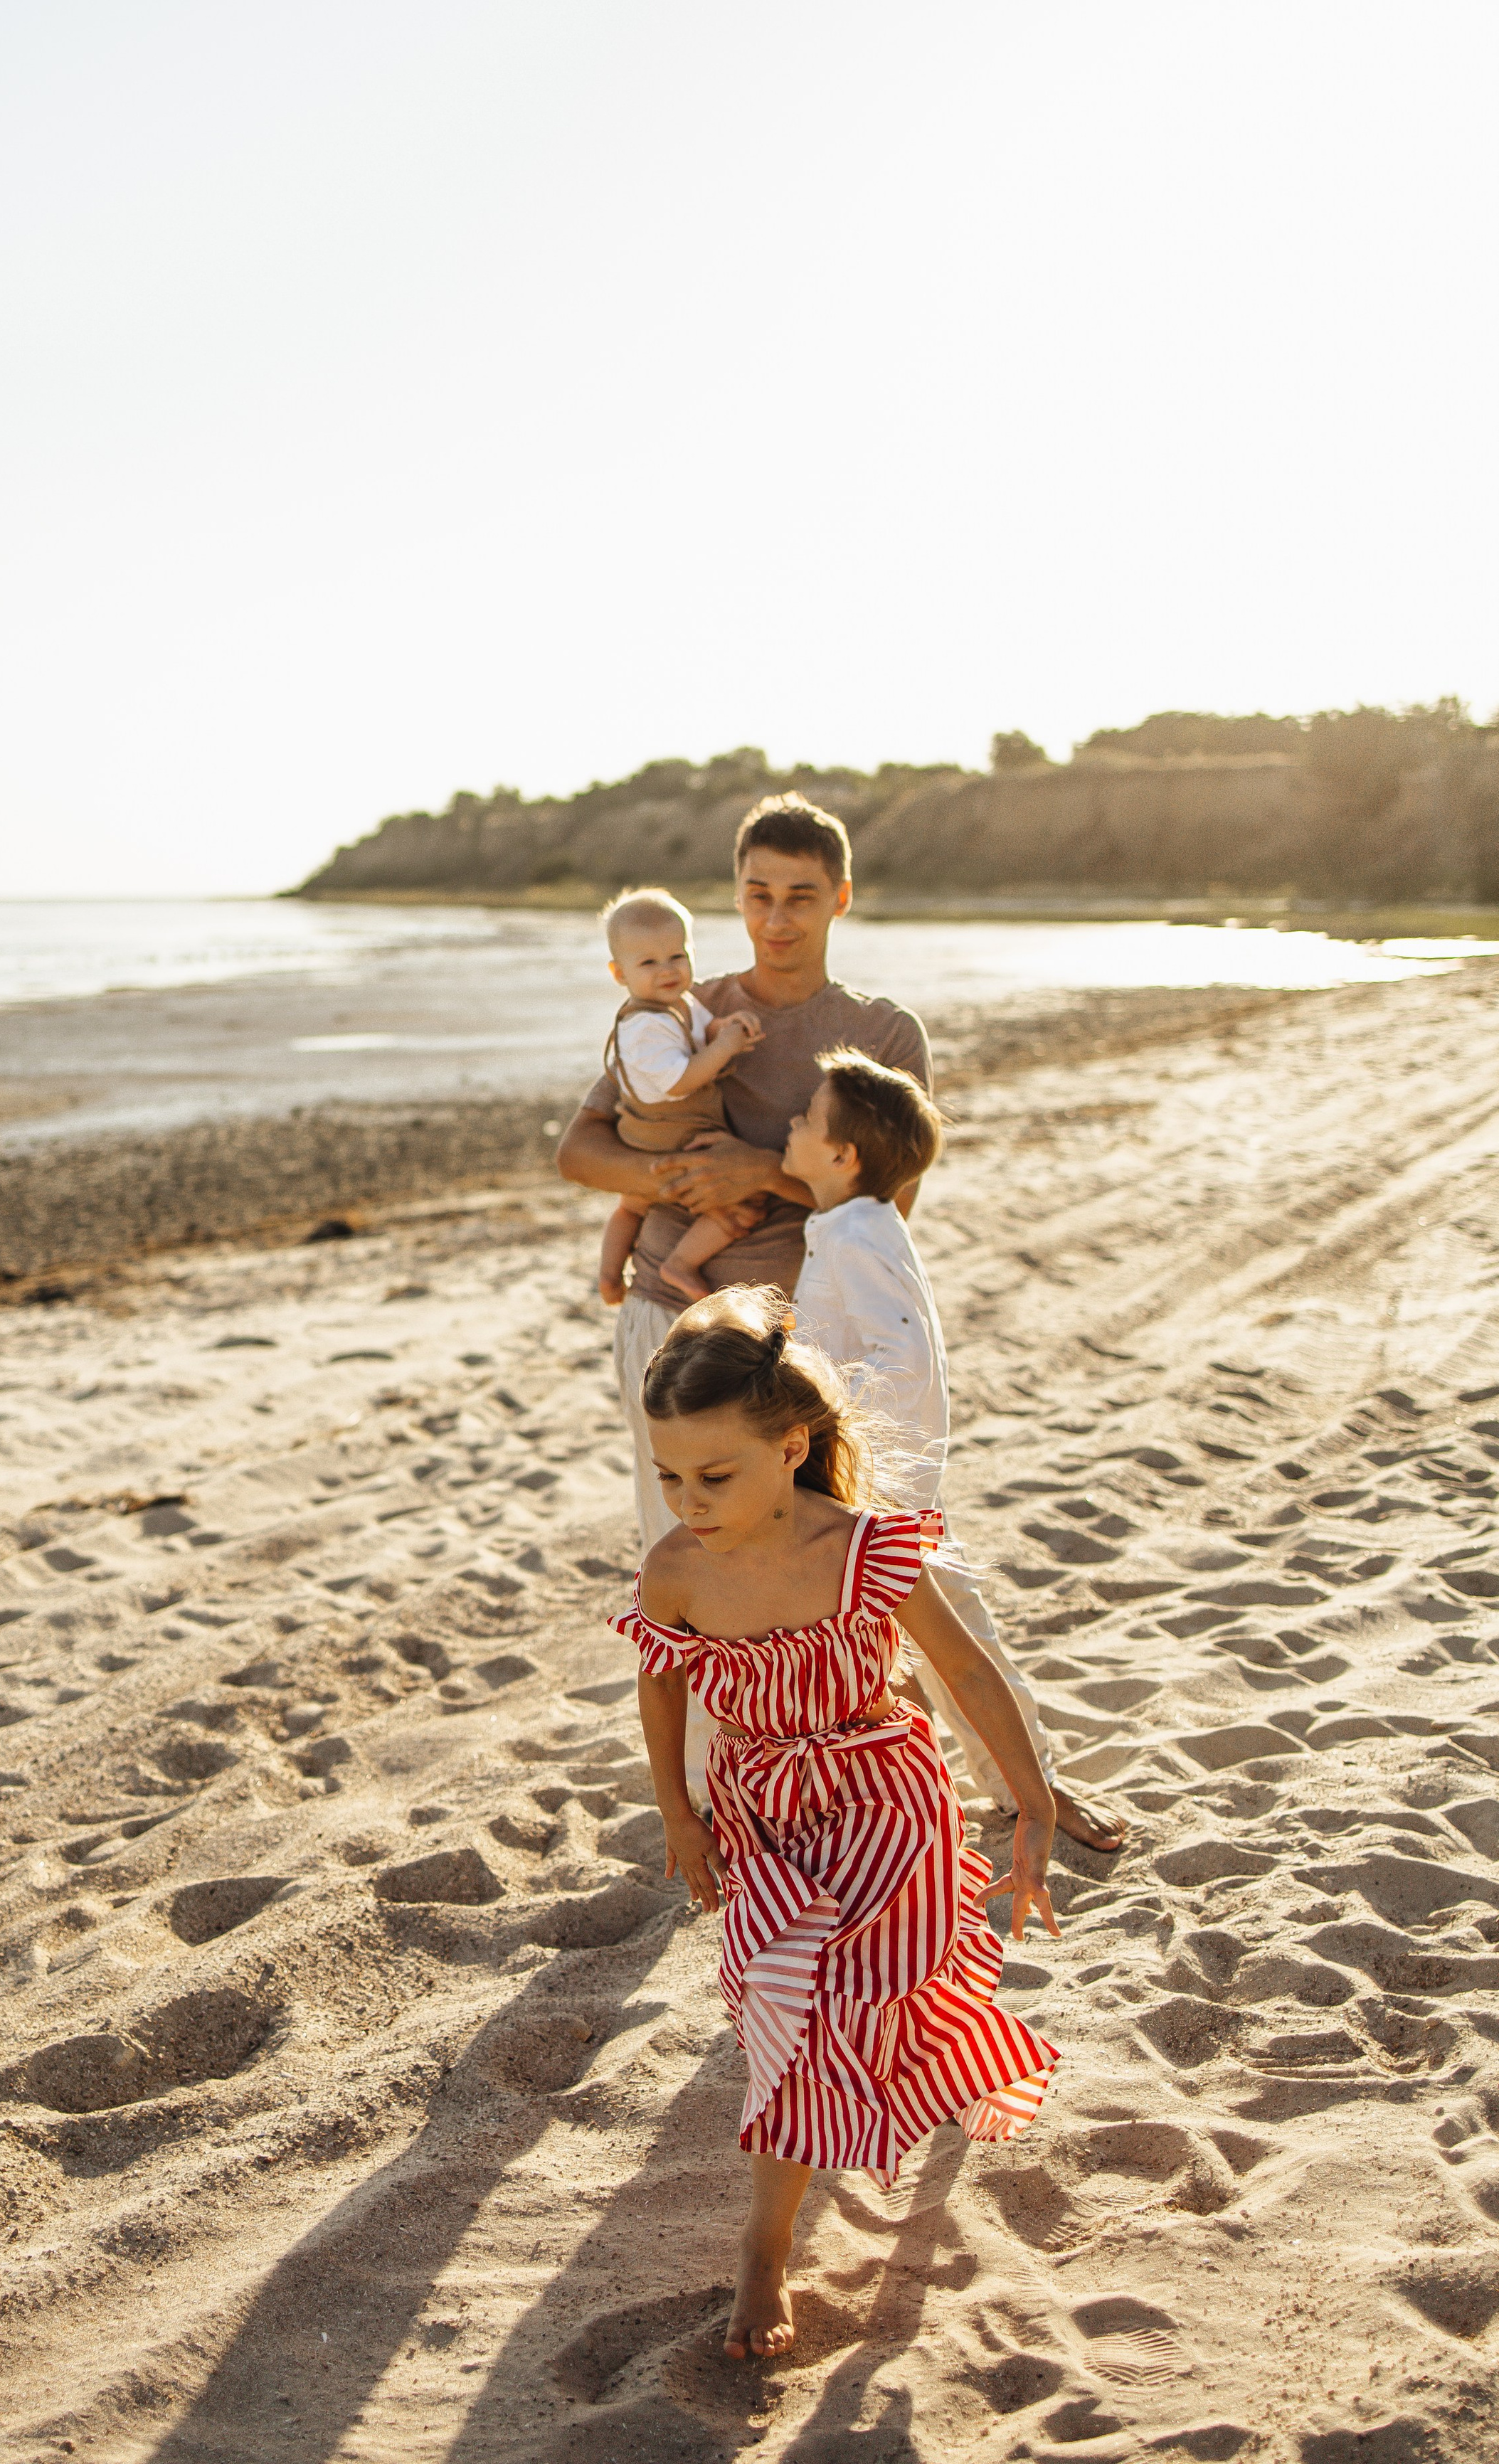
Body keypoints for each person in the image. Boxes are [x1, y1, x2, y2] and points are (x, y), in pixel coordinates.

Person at [558, 790, 1121, 1852]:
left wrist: (758, 1169)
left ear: (841, 899)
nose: (776, 918)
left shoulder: (879, 1031)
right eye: (759, 895)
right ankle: (721, 1809)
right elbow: (580, 1153)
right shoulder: (678, 1006)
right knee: (687, 1557)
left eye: (801, 897)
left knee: (904, 1557)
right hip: (676, 1323)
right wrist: (681, 1175)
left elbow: (890, 1189)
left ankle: (1026, 1782)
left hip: (818, 1337)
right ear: (736, 895)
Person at [610, 1288, 1059, 2360]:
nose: (689, 1499)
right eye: (669, 1475)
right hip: (762, 1810)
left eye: (714, 1475)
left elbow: (966, 1670)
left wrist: (1034, 1803)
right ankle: (767, 2248)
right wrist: (679, 1809)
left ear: (792, 1446)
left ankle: (793, 2218)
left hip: (887, 1801)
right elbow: (663, 1683)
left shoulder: (865, 1548)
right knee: (785, 2007)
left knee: (874, 1995)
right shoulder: (678, 1566)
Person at [785, 1048, 1112, 1839]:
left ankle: (1034, 1790)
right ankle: (959, 1791)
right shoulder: (850, 1224)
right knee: (901, 1648)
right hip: (871, 1481)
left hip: (877, 1487)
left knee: (955, 1644)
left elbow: (902, 1358)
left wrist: (820, 1423)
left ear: (841, 1154)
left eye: (807, 1117)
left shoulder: (860, 1233)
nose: (790, 1124)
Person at [595, 886, 767, 1308]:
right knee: (743, 1206)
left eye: (678, 956)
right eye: (649, 962)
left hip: (667, 1134)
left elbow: (702, 1032)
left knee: (633, 1208)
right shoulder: (642, 1028)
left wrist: (726, 1028)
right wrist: (723, 1049)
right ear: (620, 975)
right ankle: (679, 1265)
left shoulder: (681, 1003)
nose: (667, 970)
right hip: (664, 1137)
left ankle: (609, 1277)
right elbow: (682, 1080)